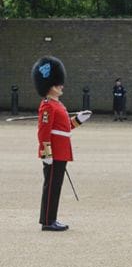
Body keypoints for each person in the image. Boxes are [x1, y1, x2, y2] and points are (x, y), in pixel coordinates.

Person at [32, 56, 91, 231]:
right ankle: (48, 221)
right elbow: (44, 132)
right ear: (49, 85)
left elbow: (65, 128)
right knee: (51, 187)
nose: (61, 85)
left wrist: (79, 120)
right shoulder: (48, 106)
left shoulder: (58, 105)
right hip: (53, 152)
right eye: (58, 83)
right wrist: (47, 153)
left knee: (55, 186)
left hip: (61, 151)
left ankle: (51, 218)